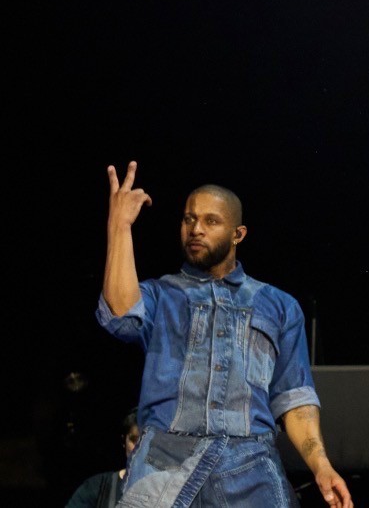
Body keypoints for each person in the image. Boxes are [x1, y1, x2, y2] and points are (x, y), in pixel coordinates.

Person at [97, 160, 353, 508]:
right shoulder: (161, 295)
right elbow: (120, 317)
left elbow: (294, 399)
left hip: (250, 472)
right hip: (163, 467)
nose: (196, 229)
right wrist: (119, 227)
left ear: (238, 234)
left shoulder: (278, 306)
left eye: (211, 221)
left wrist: (321, 466)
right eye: (189, 219)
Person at [64, 408, 139, 508]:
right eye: (135, 440)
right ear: (124, 441)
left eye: (149, 441)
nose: (142, 447)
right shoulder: (97, 488)